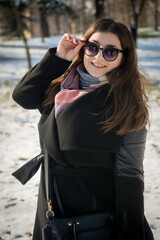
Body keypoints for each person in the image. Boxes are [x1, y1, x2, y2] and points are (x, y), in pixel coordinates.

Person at [12, 18, 154, 240]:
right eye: (93, 47)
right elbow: (23, 96)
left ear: (124, 58)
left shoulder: (127, 105)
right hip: (51, 203)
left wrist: (130, 232)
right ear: (83, 47)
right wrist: (59, 58)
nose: (98, 57)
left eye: (110, 52)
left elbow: (130, 174)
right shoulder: (61, 86)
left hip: (94, 216)